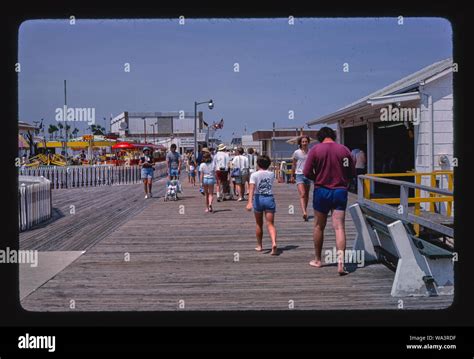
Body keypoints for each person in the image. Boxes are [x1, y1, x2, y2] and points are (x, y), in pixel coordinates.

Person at [303, 127, 355, 275]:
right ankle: (340, 263)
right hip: (340, 191)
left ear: (320, 137)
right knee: (339, 227)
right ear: (333, 136)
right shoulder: (344, 150)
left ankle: (318, 260)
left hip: (321, 191)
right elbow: (351, 172)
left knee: (319, 226)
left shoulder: (315, 150)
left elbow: (306, 172)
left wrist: (318, 179)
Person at [246, 155, 278, 255]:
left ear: (258, 164)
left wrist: (249, 202)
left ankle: (259, 246)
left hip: (258, 199)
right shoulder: (272, 174)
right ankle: (273, 242)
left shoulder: (254, 175)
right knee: (270, 224)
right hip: (269, 198)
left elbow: (251, 188)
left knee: (259, 224)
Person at [291, 136, 312, 221]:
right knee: (302, 194)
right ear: (300, 143)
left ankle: (305, 210)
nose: (304, 143)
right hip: (299, 174)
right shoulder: (296, 152)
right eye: (303, 142)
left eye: (306, 141)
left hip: (308, 175)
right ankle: (304, 212)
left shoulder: (311, 152)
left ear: (308, 142)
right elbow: (294, 164)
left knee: (306, 195)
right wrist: (292, 175)